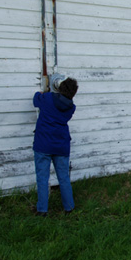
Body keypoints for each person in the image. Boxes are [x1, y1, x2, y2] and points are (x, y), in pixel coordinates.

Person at [32, 78, 79, 217]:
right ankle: (69, 208)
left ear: (60, 88)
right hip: (61, 145)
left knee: (42, 178)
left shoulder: (47, 98)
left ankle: (42, 210)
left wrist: (41, 91)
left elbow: (36, 99)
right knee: (64, 177)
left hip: (43, 144)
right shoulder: (71, 107)